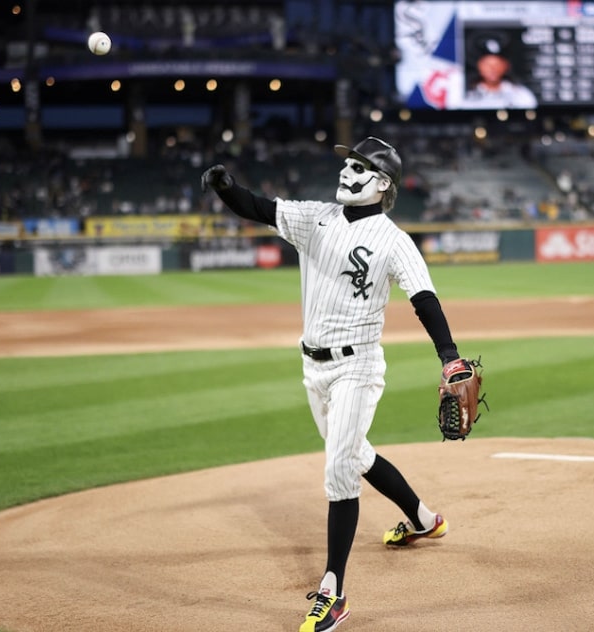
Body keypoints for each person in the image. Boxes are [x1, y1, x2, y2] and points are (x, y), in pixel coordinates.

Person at [201, 137, 464, 632]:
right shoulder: (315, 218)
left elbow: (424, 298)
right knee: (357, 453)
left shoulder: (394, 241)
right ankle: (425, 519)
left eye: (360, 166)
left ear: (383, 183)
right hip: (313, 369)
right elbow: (257, 207)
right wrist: (226, 187)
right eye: (346, 162)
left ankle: (333, 591)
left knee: (339, 468)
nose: (347, 170)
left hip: (357, 367)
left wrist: (448, 357)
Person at [464, 32, 537, 109]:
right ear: (479, 66)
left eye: (497, 64)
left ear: (506, 66)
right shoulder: (466, 94)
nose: (492, 69)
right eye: (488, 64)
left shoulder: (520, 94)